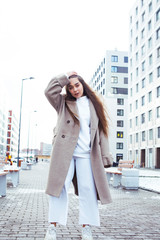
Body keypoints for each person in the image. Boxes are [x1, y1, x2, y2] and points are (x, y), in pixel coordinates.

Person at [44, 72, 113, 240]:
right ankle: (52, 227)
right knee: (59, 188)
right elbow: (49, 91)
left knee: (88, 190)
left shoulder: (94, 104)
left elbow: (102, 132)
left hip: (87, 155)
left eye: (77, 85)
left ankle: (86, 228)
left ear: (83, 84)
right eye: (70, 87)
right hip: (65, 152)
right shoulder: (63, 103)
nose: (75, 89)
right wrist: (64, 77)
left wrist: (105, 155)